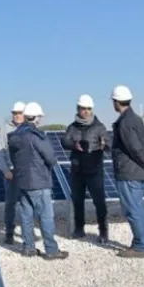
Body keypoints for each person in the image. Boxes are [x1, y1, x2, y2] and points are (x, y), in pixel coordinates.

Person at [7, 102, 69, 260]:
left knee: (26, 215)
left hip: (22, 182)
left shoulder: (14, 136)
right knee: (45, 216)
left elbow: (14, 158)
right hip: (39, 182)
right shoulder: (37, 136)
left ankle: (28, 248)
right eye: (39, 117)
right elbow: (51, 158)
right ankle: (51, 250)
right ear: (35, 118)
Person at [109, 85, 144, 258]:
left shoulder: (125, 122)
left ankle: (141, 246)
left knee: (133, 209)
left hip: (129, 172)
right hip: (137, 171)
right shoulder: (136, 119)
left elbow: (134, 147)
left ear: (116, 102)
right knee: (138, 208)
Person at [61, 94, 110, 243]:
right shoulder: (72, 127)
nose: (86, 111)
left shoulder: (99, 127)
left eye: (89, 108)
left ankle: (103, 231)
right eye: (83, 108)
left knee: (99, 201)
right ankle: (79, 228)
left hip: (94, 169)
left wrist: (104, 145)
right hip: (77, 170)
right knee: (78, 200)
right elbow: (64, 141)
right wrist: (73, 145)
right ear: (78, 109)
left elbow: (109, 144)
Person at [0, 101, 27, 244]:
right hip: (11, 174)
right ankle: (9, 232)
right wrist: (6, 170)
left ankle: (28, 234)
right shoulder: (5, 129)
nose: (17, 116)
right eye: (15, 113)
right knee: (10, 204)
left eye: (20, 113)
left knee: (28, 204)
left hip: (27, 174)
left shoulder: (30, 129)